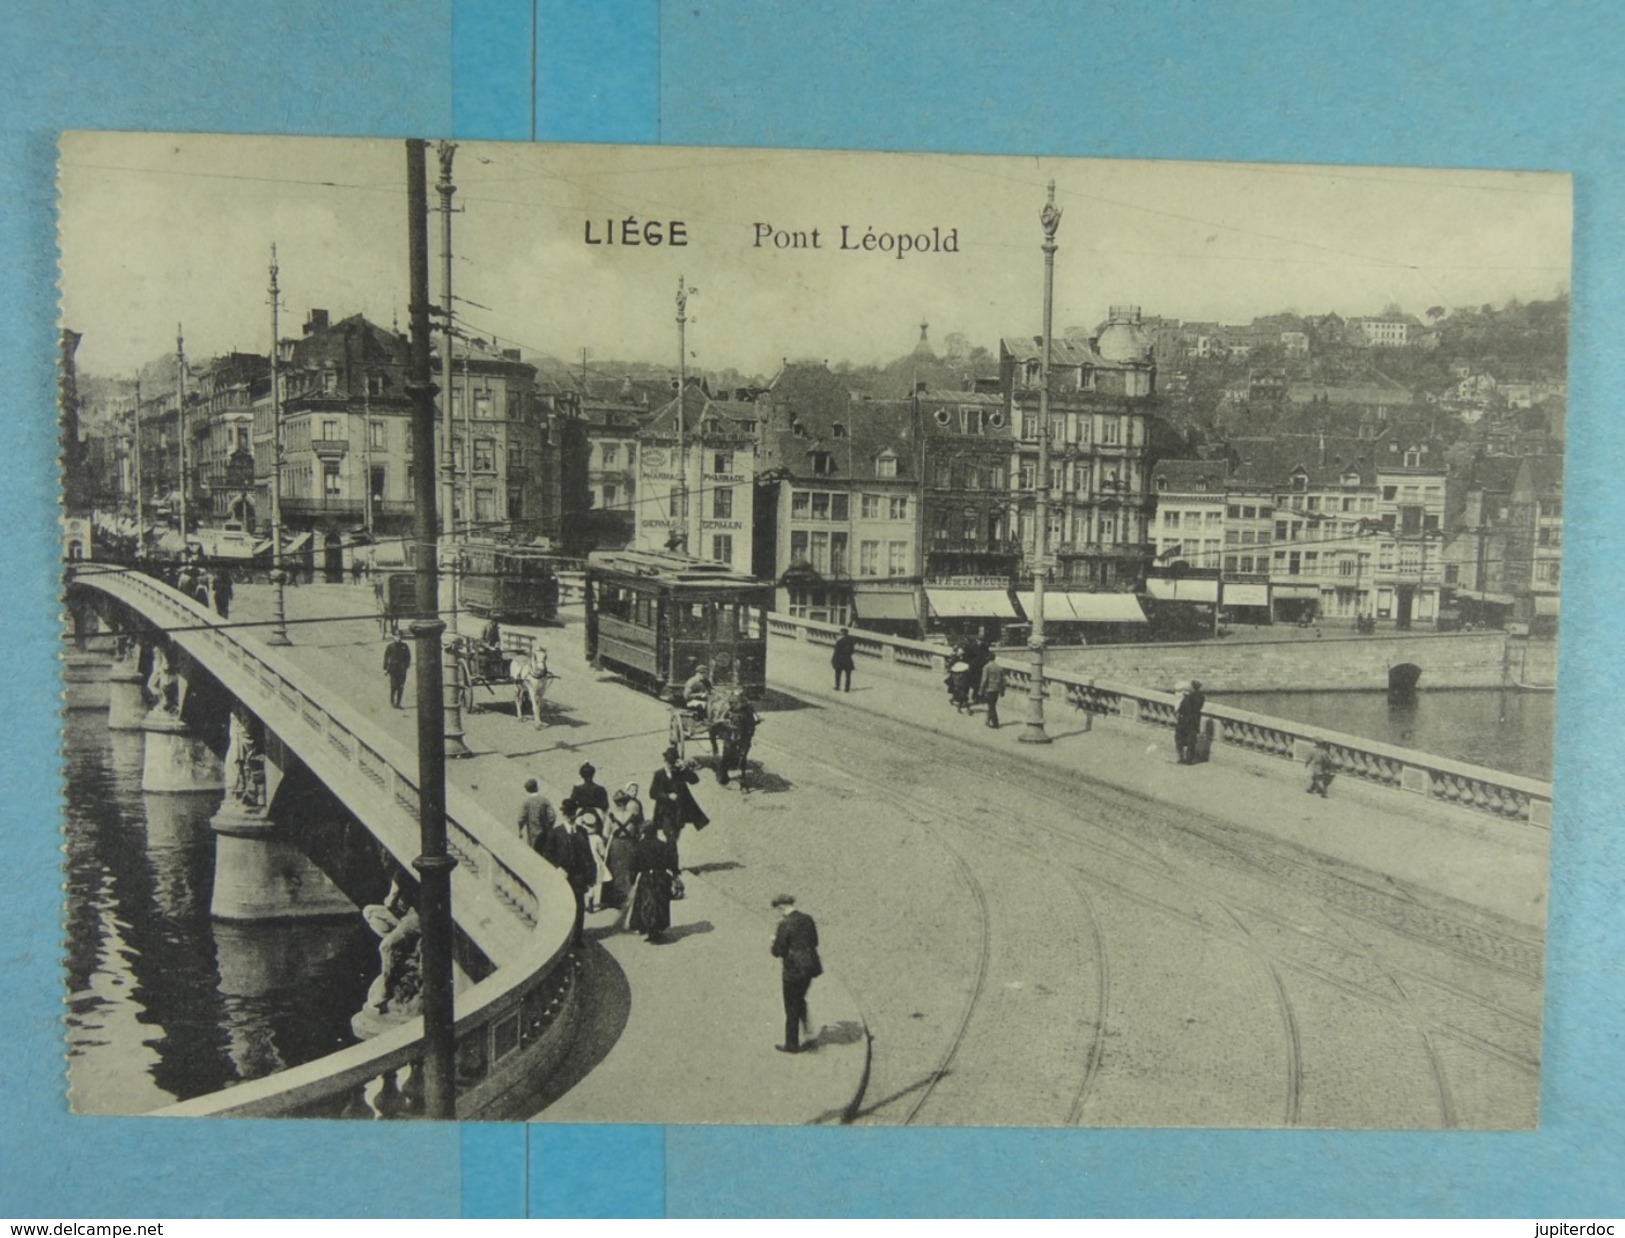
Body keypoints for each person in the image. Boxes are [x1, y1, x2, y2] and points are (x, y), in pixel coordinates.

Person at [770, 894, 822, 1054]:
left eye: (778, 910)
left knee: (791, 1006)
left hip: (792, 971)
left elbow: (777, 951)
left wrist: (773, 941)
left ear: (781, 907)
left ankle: (792, 1045)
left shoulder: (784, 924)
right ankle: (809, 1034)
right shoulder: (808, 919)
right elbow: (815, 941)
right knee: (800, 999)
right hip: (809, 967)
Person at [543, 809, 597, 948]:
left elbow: (588, 855)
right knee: (563, 906)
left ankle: (577, 938)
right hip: (563, 876)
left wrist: (591, 876)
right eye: (568, 814)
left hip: (578, 875)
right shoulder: (555, 833)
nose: (571, 817)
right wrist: (557, 868)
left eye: (573, 814)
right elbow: (547, 855)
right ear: (564, 815)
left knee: (579, 906)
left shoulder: (581, 832)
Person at [650, 744, 709, 866]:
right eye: (668, 762)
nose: (669, 765)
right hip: (664, 812)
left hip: (678, 813)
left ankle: (667, 862)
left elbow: (695, 780)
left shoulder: (680, 773)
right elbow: (653, 793)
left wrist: (685, 769)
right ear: (665, 761)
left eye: (672, 763)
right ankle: (673, 867)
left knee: (674, 839)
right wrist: (667, 796)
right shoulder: (659, 774)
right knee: (671, 838)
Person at [626, 824, 680, 943]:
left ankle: (649, 929)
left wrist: (632, 879)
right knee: (660, 903)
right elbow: (670, 862)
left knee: (647, 904)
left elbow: (633, 865)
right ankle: (657, 930)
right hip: (661, 877)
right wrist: (675, 874)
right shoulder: (662, 845)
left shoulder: (639, 846)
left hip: (646, 878)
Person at [517, 777, 556, 853]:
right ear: (537, 787)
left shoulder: (527, 802)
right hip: (545, 834)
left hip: (533, 834)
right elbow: (552, 816)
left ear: (527, 790)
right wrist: (548, 828)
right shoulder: (544, 800)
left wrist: (520, 830)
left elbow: (521, 819)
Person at [1174, 678, 1206, 764]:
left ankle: (1182, 758)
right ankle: (1190, 759)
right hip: (1195, 720)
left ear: (1192, 687)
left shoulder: (1188, 698)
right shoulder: (1201, 697)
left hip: (1185, 720)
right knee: (1192, 740)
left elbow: (1182, 709)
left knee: (1179, 738)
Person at [383, 632, 411, 709]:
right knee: (394, 686)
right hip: (393, 669)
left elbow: (408, 656)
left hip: (402, 669)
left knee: (401, 686)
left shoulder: (404, 646)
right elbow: (386, 657)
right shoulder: (390, 646)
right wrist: (385, 668)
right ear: (393, 637)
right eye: (396, 636)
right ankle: (392, 701)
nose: (398, 638)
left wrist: (406, 665)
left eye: (399, 636)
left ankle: (398, 703)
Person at [979, 657, 1006, 728]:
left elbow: (984, 680)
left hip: (989, 689)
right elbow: (1003, 681)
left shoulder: (986, 667)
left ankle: (995, 723)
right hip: (996, 689)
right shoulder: (1000, 668)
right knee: (992, 705)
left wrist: (981, 691)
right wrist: (1002, 691)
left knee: (991, 707)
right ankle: (988, 720)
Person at [831, 627, 856, 692]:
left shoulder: (839, 641)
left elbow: (836, 651)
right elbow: (852, 651)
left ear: (842, 633)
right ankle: (847, 688)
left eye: (840, 632)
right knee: (848, 675)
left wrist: (833, 659)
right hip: (847, 660)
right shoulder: (850, 640)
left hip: (839, 659)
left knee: (838, 673)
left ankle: (837, 686)